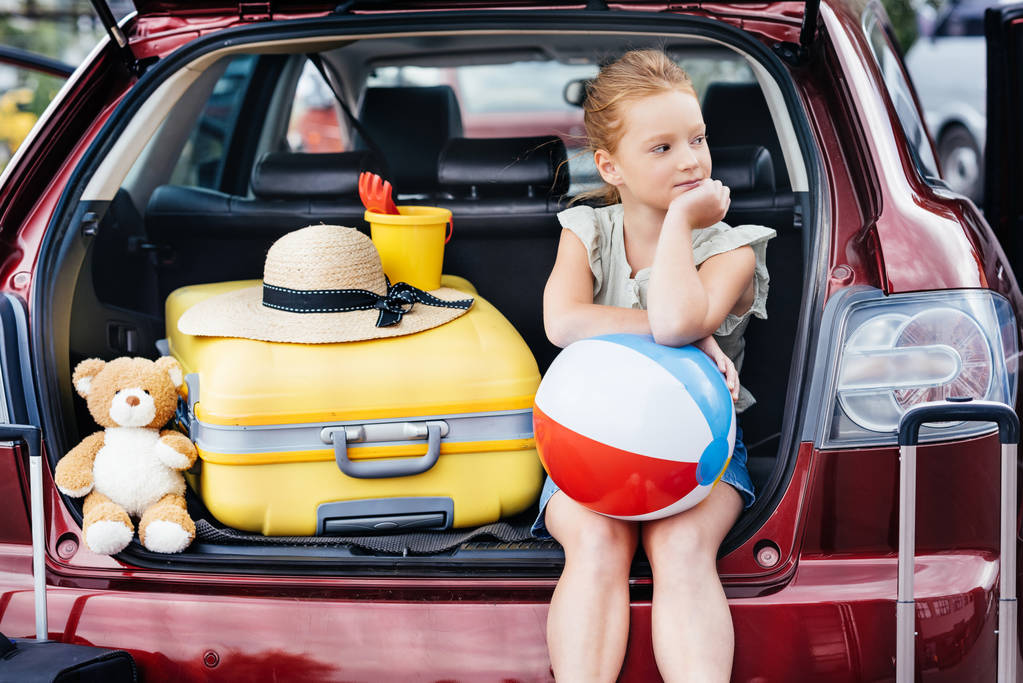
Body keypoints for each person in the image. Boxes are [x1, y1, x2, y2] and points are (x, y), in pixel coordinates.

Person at [532, 49, 776, 682]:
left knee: (682, 545)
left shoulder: (734, 248)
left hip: (705, 448)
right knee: (595, 543)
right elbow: (563, 322)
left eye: (697, 138)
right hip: (590, 441)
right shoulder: (586, 229)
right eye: (661, 148)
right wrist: (693, 342)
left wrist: (681, 225)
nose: (691, 159)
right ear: (610, 165)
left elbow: (674, 318)